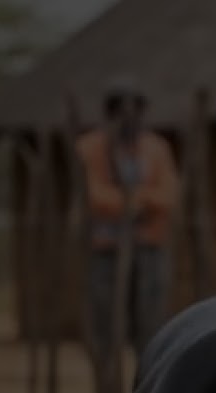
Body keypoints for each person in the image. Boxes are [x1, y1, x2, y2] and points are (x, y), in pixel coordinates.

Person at [77, 76, 179, 366]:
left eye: (136, 110)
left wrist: (137, 202)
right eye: (122, 110)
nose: (129, 117)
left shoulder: (155, 149)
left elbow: (168, 195)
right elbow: (94, 196)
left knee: (150, 319)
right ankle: (107, 381)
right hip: (105, 248)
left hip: (149, 246)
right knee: (106, 320)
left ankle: (146, 375)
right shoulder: (89, 148)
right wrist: (135, 203)